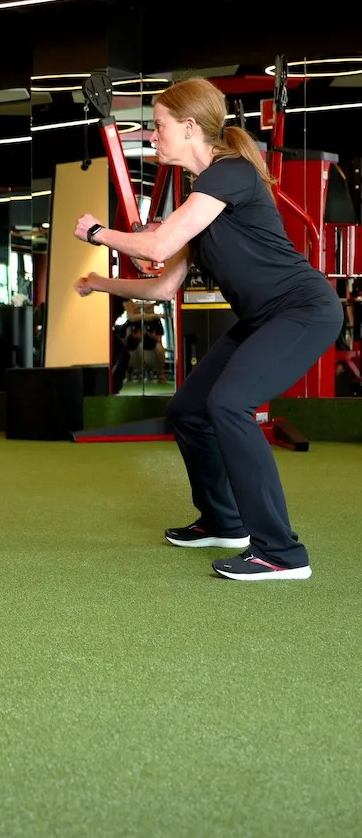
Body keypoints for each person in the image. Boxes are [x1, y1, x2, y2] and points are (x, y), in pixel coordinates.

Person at [73, 77, 343, 582]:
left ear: (191, 127)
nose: (153, 137)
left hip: (304, 310)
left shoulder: (230, 174)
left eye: (159, 127)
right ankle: (225, 521)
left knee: (229, 404)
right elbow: (160, 287)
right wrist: (99, 283)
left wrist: (95, 232)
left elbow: (154, 247)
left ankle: (282, 552)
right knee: (190, 410)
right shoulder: (204, 199)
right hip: (265, 318)